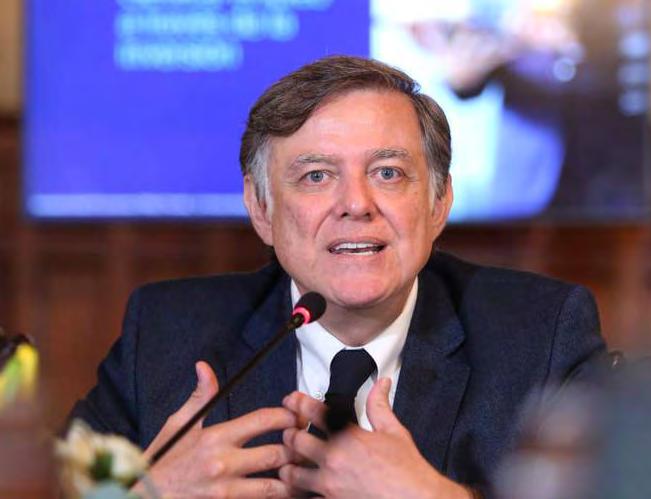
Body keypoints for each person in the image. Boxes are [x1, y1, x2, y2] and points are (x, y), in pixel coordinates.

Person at [69, 55, 606, 498]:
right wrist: (141, 494)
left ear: (440, 202)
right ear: (261, 208)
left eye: (388, 173)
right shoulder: (166, 335)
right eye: (316, 176)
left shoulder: (541, 339)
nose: (356, 203)